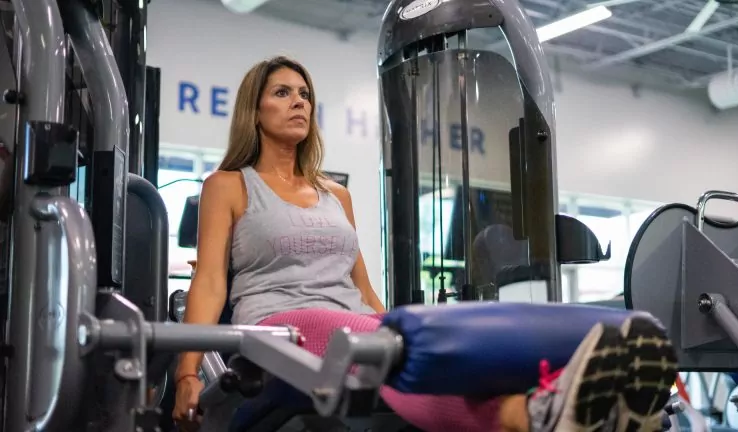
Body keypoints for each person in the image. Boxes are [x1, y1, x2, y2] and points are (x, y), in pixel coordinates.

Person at [172, 55, 678, 432]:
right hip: (276, 331)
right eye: (282, 92)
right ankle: (524, 417)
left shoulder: (336, 194)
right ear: (253, 110)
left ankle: (588, 384)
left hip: (348, 327)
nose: (299, 101)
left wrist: (394, 323)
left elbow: (361, 289)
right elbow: (211, 280)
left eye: (304, 93)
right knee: (361, 335)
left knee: (434, 339)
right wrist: (188, 374)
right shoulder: (228, 185)